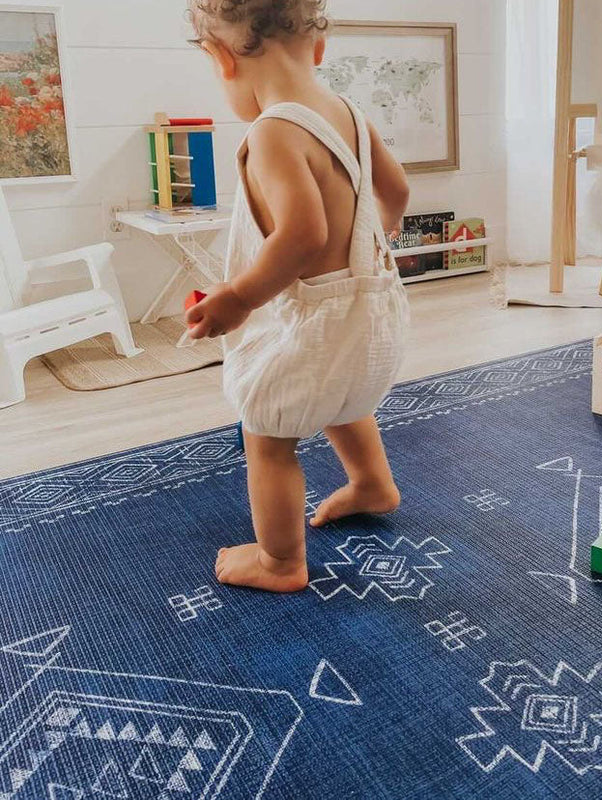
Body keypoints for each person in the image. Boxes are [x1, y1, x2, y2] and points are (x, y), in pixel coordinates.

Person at [186, 0, 411, 592]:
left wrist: (238, 295)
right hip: (377, 318)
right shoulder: (351, 115)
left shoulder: (273, 132)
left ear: (220, 58)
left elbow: (304, 236)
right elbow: (397, 191)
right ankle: (372, 485)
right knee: (341, 396)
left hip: (315, 324)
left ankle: (280, 561)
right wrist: (368, 242)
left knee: (266, 433)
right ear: (318, 48)